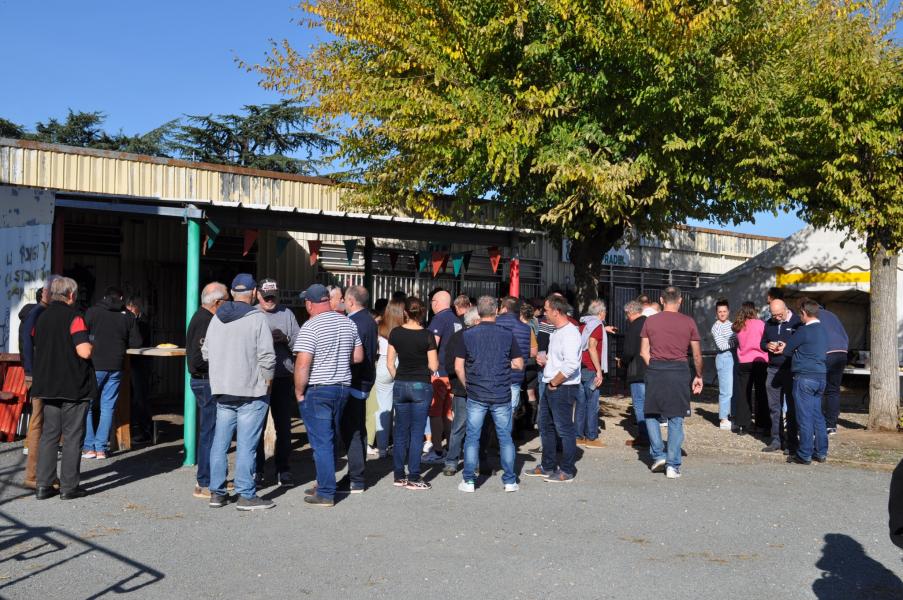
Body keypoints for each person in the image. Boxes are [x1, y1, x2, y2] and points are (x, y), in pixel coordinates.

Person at [203, 274, 276, 511]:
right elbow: (267, 356)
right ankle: (246, 494)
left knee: (220, 443)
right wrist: (267, 381)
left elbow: (205, 352)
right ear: (254, 292)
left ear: (233, 293)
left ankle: (217, 492)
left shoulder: (216, 318)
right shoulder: (257, 318)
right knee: (246, 445)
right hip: (251, 390)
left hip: (223, 389)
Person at [294, 283, 364, 506]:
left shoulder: (310, 326)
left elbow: (302, 364)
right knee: (331, 438)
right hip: (343, 388)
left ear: (309, 304)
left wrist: (298, 392)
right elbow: (358, 356)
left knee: (321, 442)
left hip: (319, 389)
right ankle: (325, 484)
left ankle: (325, 492)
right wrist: (338, 359)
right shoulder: (348, 323)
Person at [32, 277, 95, 500]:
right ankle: (69, 487)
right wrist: (93, 344)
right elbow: (84, 351)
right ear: (71, 295)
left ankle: (43, 484)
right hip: (73, 385)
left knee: (49, 435)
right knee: (72, 436)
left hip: (48, 385)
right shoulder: (75, 317)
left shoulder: (41, 317)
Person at [454, 296, 523, 493]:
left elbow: (458, 367)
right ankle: (509, 480)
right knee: (505, 438)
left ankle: (469, 480)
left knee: (472, 437)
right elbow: (519, 364)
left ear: (478, 312)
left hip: (476, 391)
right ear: (496, 311)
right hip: (501, 392)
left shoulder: (467, 334)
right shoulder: (507, 334)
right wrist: (503, 364)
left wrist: (467, 385)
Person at [640, 286, 703, 479]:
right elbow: (697, 355)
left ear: (661, 300)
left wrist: (655, 366)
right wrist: (699, 375)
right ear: (680, 300)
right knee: (676, 416)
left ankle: (658, 454)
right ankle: (673, 464)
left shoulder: (650, 321)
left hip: (656, 369)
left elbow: (643, 352)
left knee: (651, 412)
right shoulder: (689, 322)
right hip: (679, 370)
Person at [525, 294, 581, 483]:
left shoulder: (570, 333)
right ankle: (547, 466)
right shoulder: (557, 331)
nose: (544, 313)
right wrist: (547, 361)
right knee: (546, 427)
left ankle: (567, 470)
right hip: (552, 384)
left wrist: (554, 382)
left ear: (557, 311)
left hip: (563, 387)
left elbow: (571, 364)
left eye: (547, 310)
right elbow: (561, 359)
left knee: (564, 429)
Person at [82, 286, 142, 460]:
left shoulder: (92, 312)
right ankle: (101, 449)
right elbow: (137, 343)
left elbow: (82, 336)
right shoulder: (128, 316)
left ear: (104, 297)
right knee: (107, 407)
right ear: (122, 298)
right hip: (116, 365)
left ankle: (89, 447)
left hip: (94, 365)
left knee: (86, 404)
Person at [387, 297, 438, 490]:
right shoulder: (427, 335)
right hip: (421, 384)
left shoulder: (395, 333)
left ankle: (399, 475)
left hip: (401, 383)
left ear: (405, 312)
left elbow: (389, 363)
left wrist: (399, 377)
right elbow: (434, 365)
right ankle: (414, 476)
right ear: (422, 313)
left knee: (400, 431)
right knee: (417, 432)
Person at [254, 278, 301, 487]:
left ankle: (283, 469)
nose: (270, 300)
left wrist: (285, 339)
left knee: (284, 427)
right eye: (266, 297)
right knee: (256, 427)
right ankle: (257, 470)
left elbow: (300, 343)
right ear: (258, 295)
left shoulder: (287, 313)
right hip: (258, 379)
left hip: (282, 377)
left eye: (273, 296)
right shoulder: (251, 314)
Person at [185, 282, 229, 499]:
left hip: (205, 381)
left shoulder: (204, 318)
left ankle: (213, 477)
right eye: (227, 300)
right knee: (210, 432)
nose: (229, 304)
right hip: (206, 382)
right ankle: (204, 481)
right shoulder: (205, 320)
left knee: (212, 431)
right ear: (217, 302)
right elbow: (197, 359)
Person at [775, 298, 828, 465]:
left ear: (805, 313)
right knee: (817, 416)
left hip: (805, 376)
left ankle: (804, 454)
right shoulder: (824, 330)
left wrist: (787, 347)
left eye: (800, 314)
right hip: (821, 376)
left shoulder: (803, 330)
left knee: (804, 417)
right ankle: (821, 451)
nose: (800, 317)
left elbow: (787, 351)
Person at [20, 276, 59, 489]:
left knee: (42, 424)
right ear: (47, 293)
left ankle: (39, 474)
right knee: (39, 423)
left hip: (37, 374)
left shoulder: (37, 313)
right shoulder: (37, 314)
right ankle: (34, 475)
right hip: (39, 376)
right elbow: (27, 344)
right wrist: (30, 373)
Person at [342, 285, 378, 492]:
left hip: (355, 381)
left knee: (353, 430)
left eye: (344, 299)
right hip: (365, 380)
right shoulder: (369, 320)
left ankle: (355, 477)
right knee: (359, 429)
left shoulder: (354, 322)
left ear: (351, 301)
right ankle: (357, 473)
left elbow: (355, 355)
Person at [442, 307, 481, 476]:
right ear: (476, 321)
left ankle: (473, 461)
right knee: (461, 426)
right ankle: (452, 461)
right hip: (463, 388)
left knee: (473, 427)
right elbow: (450, 365)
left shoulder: (467, 336)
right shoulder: (459, 337)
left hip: (473, 388)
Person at [760, 298, 801, 453]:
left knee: (791, 407)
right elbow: (762, 343)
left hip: (790, 369)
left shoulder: (797, 322)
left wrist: (787, 347)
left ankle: (792, 442)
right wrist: (767, 346)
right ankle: (776, 439)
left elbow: (802, 345)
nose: (777, 318)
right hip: (772, 369)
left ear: (786, 309)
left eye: (779, 314)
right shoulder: (769, 323)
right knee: (774, 407)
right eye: (774, 315)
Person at [425, 290, 460, 461]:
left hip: (438, 372)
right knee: (448, 413)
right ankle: (451, 448)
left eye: (432, 301)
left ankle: (438, 450)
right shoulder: (456, 319)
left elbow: (432, 344)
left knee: (435, 412)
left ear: (436, 302)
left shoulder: (439, 318)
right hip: (452, 372)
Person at [372, 299, 404, 458]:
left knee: (383, 408)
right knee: (400, 408)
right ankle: (398, 446)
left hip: (383, 363)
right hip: (400, 363)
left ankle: (382, 448)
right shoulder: (405, 329)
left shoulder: (380, 328)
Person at [732, 303, 769, 435]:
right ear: (754, 310)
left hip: (744, 361)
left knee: (743, 393)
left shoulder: (739, 325)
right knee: (761, 393)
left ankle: (743, 425)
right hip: (760, 360)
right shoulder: (761, 324)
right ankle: (762, 425)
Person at [575, 300, 607, 448]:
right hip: (590, 368)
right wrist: (599, 370)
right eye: (605, 312)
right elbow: (592, 346)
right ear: (601, 313)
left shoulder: (583, 324)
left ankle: (578, 435)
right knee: (592, 403)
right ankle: (591, 437)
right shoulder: (597, 326)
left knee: (581, 403)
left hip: (580, 367)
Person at [496, 296, 532, 419]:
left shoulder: (495, 323)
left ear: (505, 308)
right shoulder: (526, 328)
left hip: (496, 376)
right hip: (516, 376)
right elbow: (526, 353)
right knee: (509, 414)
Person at [125, 295, 153, 443]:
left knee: (140, 398)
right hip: (134, 363)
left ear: (134, 307)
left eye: (129, 308)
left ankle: (145, 431)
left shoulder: (142, 322)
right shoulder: (138, 320)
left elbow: (137, 341)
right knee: (135, 397)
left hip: (140, 364)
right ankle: (139, 428)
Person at [620, 300, 649, 447]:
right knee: (649, 405)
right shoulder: (650, 323)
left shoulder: (634, 326)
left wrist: (622, 362)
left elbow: (629, 351)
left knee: (639, 404)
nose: (626, 317)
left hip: (637, 370)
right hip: (651, 368)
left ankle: (644, 436)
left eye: (626, 314)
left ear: (630, 312)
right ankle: (652, 436)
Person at [818, 306, 849, 434]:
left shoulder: (812, 315)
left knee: (819, 389)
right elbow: (845, 335)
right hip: (842, 352)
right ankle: (831, 425)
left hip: (827, 353)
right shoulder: (832, 315)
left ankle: (819, 423)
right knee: (834, 390)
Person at [710, 299, 735, 430]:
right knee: (726, 390)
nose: (722, 313)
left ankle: (730, 415)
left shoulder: (731, 324)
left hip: (734, 357)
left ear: (728, 311)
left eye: (724, 311)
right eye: (720, 311)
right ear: (716, 313)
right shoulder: (716, 327)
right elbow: (722, 345)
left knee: (733, 389)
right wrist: (737, 342)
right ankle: (723, 418)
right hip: (724, 357)